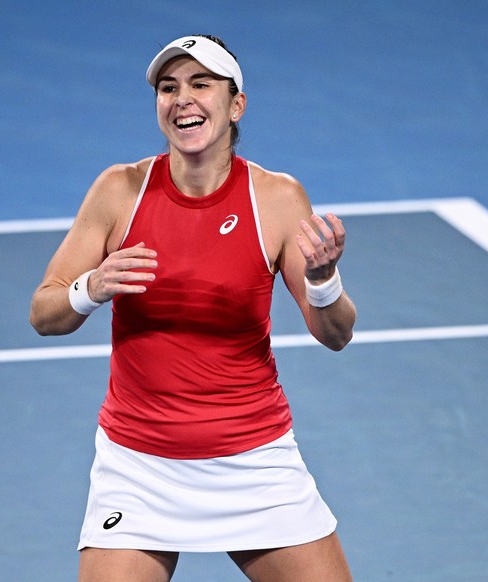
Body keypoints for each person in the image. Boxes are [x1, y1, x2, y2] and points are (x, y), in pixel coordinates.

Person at [30, 34, 356, 581]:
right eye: (168, 87)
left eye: (201, 84)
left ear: (236, 105)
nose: (182, 98)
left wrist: (322, 281)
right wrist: (92, 286)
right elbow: (44, 312)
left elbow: (336, 333)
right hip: (139, 468)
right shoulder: (119, 190)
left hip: (254, 463)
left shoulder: (276, 199)